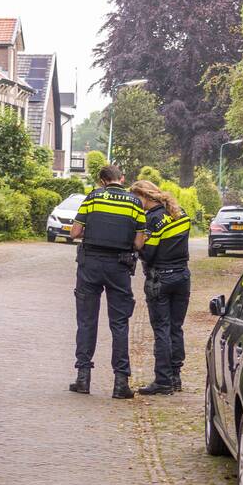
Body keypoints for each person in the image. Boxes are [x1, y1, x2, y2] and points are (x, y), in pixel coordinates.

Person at [68, 165, 147, 398]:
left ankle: (83, 378)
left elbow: (74, 232)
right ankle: (121, 383)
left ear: (102, 181)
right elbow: (139, 244)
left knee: (86, 321)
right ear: (120, 179)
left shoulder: (92, 198)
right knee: (119, 324)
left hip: (90, 265)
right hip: (119, 267)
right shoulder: (135, 203)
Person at [130, 180, 191, 395]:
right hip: (182, 276)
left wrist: (136, 247)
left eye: (136, 199)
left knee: (162, 330)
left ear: (144, 196)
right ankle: (176, 377)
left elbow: (149, 253)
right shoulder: (179, 212)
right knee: (176, 327)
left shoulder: (152, 220)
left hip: (160, 279)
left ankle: (163, 381)